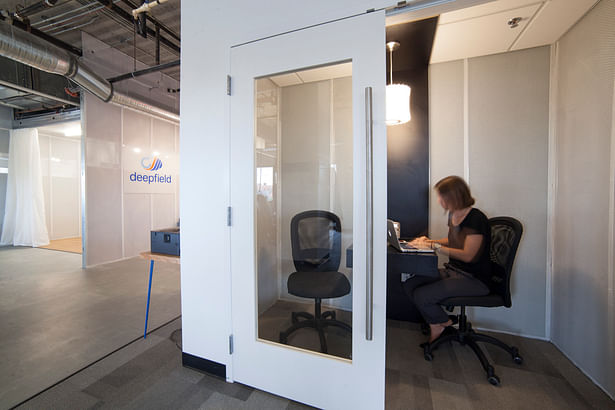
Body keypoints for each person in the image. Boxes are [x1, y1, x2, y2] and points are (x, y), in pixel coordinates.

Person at [404, 175, 491, 344]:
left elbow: (468, 254)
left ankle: (440, 324)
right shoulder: (454, 214)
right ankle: (441, 321)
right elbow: (453, 241)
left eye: (441, 196)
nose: (438, 201)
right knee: (410, 284)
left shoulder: (476, 218)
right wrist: (429, 241)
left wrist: (435, 247)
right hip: (454, 271)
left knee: (422, 295)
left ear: (454, 197)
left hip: (475, 279)